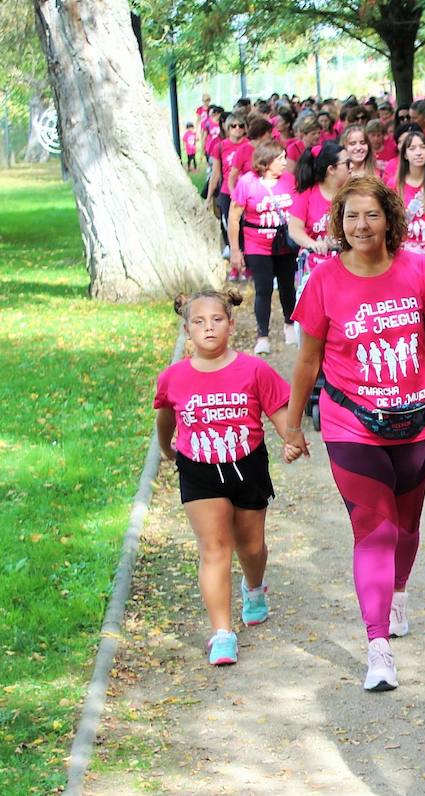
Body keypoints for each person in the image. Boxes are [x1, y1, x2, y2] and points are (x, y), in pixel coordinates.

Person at [282, 176, 425, 691]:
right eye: (351, 216)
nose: (361, 225)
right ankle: (377, 647)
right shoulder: (323, 280)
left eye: (371, 214)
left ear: (390, 218)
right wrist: (293, 424)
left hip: (416, 420)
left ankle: (397, 593)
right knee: (377, 529)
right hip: (351, 422)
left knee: (406, 527)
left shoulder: (418, 269)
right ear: (338, 222)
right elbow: (307, 360)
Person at [154, 288, 298, 666]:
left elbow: (279, 411)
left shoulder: (254, 369)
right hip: (199, 469)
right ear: (187, 330)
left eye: (217, 320)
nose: (209, 328)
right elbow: (165, 418)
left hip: (247, 465)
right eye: (199, 322)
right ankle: (222, 633)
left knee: (250, 547)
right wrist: (168, 448)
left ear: (231, 325)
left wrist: (291, 439)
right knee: (215, 549)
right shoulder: (173, 377)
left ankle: (254, 587)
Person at [230, 140, 297, 355]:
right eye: (280, 159)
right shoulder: (247, 182)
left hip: (285, 243)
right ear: (267, 161)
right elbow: (234, 217)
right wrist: (235, 250)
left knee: (287, 286)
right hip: (257, 245)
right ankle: (263, 335)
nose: (285, 163)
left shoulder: (289, 180)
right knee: (263, 289)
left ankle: (289, 324)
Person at [288, 140, 348, 296]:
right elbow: (294, 229)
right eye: (347, 163)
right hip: (314, 267)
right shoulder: (307, 194)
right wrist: (313, 244)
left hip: (346, 266)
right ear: (331, 170)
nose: (352, 167)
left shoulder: (351, 194)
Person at [207, 114, 249, 278]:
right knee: (231, 229)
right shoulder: (220, 147)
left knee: (246, 229)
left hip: (247, 192)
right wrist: (209, 197)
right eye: (233, 126)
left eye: (241, 125)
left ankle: (247, 264)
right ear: (227, 128)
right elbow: (215, 174)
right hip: (227, 193)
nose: (237, 129)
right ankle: (235, 264)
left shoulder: (249, 145)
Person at [390, 128, 425, 258]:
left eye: (423, 147)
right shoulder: (394, 185)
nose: (418, 153)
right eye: (412, 148)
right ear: (405, 154)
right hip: (405, 254)